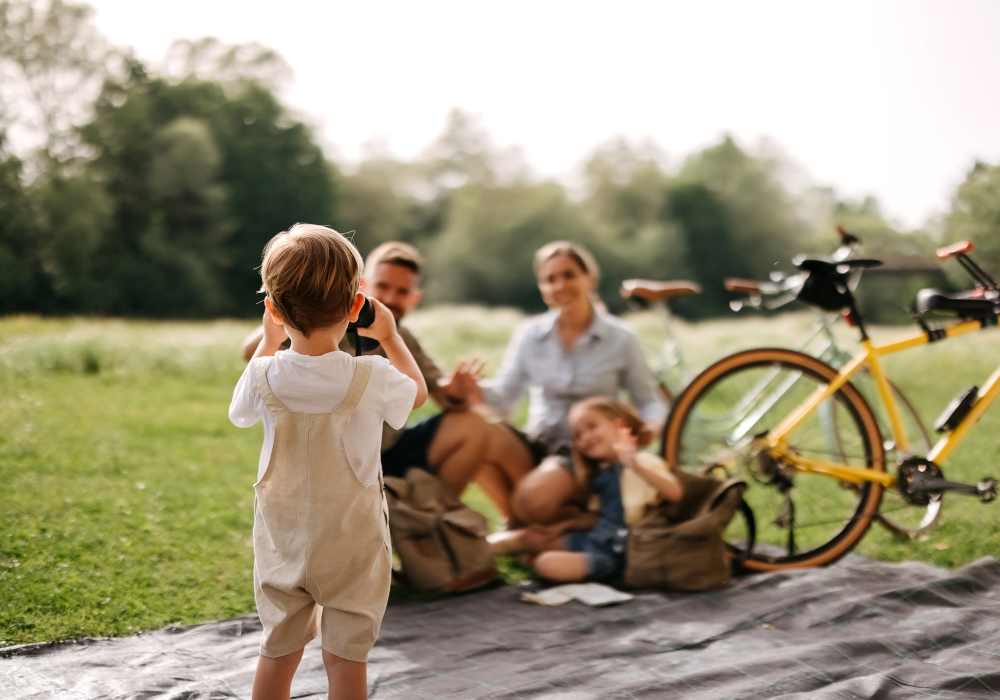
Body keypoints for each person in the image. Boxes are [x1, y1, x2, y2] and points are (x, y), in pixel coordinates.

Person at [229, 224, 428, 700]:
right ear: (356, 306)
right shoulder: (371, 375)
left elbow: (239, 414)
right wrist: (393, 337)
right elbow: (417, 395)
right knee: (345, 659)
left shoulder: (263, 374)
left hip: (284, 540)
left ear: (274, 309)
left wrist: (266, 337)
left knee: (278, 649)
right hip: (352, 542)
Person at [240, 241, 535, 522]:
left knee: (478, 425)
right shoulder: (324, 322)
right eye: (383, 287)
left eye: (402, 291)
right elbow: (250, 353)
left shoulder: (403, 339)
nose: (392, 298)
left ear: (414, 298)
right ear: (362, 286)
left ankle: (440, 522)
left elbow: (436, 392)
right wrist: (282, 316)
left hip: (388, 449)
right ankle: (423, 525)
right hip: (337, 456)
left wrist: (453, 390)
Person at [475, 241, 668, 526]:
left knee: (530, 501)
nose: (560, 285)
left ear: (589, 278)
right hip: (538, 440)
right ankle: (532, 526)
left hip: (585, 452)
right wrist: (470, 389)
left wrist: (651, 426)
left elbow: (649, 400)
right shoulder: (529, 334)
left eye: (568, 275)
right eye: (549, 279)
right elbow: (504, 397)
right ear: (542, 288)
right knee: (474, 436)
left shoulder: (621, 338)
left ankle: (536, 525)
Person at [519, 397, 683, 582]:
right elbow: (599, 518)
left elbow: (675, 493)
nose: (585, 438)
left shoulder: (643, 461)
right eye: (578, 435)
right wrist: (563, 527)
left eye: (592, 427)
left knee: (544, 563)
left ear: (618, 424)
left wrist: (635, 464)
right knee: (537, 544)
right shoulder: (602, 475)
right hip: (596, 539)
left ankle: (602, 570)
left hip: (623, 550)